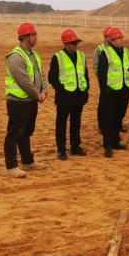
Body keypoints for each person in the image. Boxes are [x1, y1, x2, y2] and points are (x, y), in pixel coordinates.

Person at [4, 22, 48, 178]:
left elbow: (41, 74)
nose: (36, 38)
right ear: (24, 37)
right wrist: (37, 95)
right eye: (33, 35)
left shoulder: (33, 55)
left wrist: (44, 91)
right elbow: (23, 80)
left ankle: (28, 161)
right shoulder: (16, 56)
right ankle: (11, 165)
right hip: (18, 101)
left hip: (30, 101)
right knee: (14, 133)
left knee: (26, 132)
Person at [48, 29, 90, 160]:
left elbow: (85, 74)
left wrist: (86, 89)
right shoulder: (58, 57)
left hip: (78, 96)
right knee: (61, 123)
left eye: (77, 42)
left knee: (76, 122)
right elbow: (52, 78)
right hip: (64, 97)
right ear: (66, 43)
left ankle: (75, 147)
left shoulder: (81, 56)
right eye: (73, 43)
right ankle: (61, 150)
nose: (76, 45)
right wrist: (62, 90)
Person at [97, 27, 129, 157]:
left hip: (124, 90)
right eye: (119, 38)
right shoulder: (105, 53)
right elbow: (102, 74)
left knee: (118, 117)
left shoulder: (126, 52)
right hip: (111, 92)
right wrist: (105, 90)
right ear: (112, 40)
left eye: (122, 37)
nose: (122, 40)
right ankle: (107, 145)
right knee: (109, 118)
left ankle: (116, 141)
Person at [93, 26, 113, 134]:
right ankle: (101, 125)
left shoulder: (117, 48)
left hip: (116, 82)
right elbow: (96, 67)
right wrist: (102, 80)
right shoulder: (99, 49)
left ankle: (117, 124)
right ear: (105, 37)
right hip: (105, 82)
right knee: (103, 103)